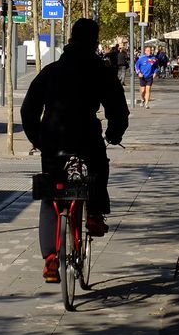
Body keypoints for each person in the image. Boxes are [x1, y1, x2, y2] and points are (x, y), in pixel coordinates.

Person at [21, 18, 129, 283]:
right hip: (86, 134)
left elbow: (28, 109)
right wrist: (113, 134)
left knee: (51, 196)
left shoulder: (51, 71)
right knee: (98, 167)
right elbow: (118, 107)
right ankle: (93, 213)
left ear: (70, 39)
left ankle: (50, 258)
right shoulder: (101, 71)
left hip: (52, 138)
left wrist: (37, 139)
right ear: (94, 41)